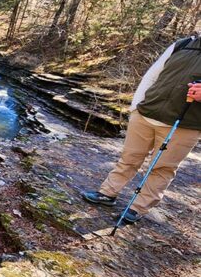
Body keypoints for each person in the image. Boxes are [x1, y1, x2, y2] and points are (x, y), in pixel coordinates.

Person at [82, 35, 200, 223]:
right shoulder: (184, 44)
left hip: (184, 125)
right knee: (129, 157)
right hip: (146, 113)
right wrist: (136, 107)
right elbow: (152, 75)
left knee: (162, 168)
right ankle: (108, 193)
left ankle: (138, 208)